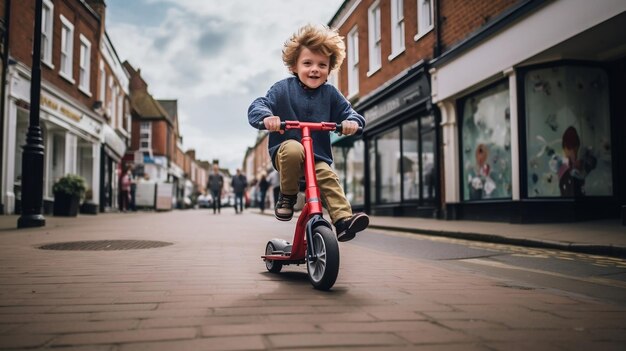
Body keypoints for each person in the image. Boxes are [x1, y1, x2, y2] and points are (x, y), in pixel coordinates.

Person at [248, 24, 369, 242]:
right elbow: (259, 104)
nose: (315, 69)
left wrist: (352, 122)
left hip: (317, 158)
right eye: (307, 63)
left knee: (328, 176)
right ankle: (287, 196)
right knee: (294, 149)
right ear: (294, 66)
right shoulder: (282, 88)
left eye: (322, 65)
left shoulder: (331, 93)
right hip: (287, 153)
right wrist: (267, 117)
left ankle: (342, 221)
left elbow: (351, 113)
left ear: (329, 69)